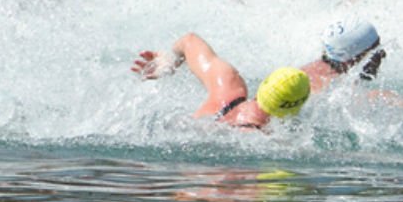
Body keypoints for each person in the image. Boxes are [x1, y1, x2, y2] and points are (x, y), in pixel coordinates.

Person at [132, 33, 310, 129]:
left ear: (264, 84)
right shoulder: (271, 143)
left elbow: (190, 40)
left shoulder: (228, 88)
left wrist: (168, 63)